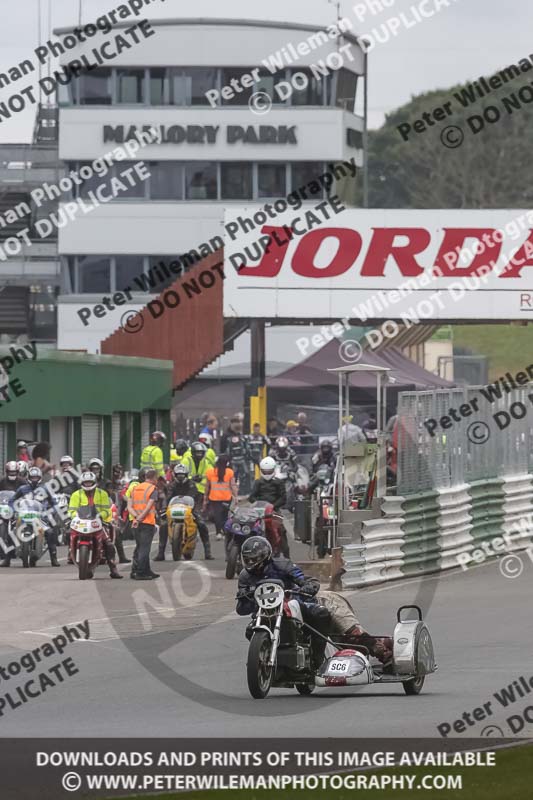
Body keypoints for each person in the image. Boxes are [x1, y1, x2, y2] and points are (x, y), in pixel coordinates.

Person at [235, 537, 331, 667]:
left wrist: (307, 585)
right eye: (247, 559)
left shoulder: (282, 565)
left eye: (254, 559)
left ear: (265, 556)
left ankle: (317, 658)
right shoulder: (244, 576)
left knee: (321, 613)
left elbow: (301, 578)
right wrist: (244, 596)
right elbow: (241, 609)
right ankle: (263, 655)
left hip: (291, 603)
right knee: (249, 631)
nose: (250, 562)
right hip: (263, 613)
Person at [2, 467, 60, 568]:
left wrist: (51, 511)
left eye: (36, 477)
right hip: (24, 515)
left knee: (50, 532)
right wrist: (13, 509)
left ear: (40, 478)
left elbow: (55, 503)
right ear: (28, 477)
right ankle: (7, 559)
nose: (34, 479)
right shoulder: (22, 489)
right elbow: (12, 500)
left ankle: (53, 558)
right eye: (32, 477)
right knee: (12, 533)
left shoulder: (45, 489)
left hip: (40, 517)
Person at [68, 471, 122, 578]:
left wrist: (101, 515)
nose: (88, 484)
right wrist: (75, 516)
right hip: (81, 522)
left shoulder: (103, 494)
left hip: (98, 522)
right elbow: (71, 510)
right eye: (86, 482)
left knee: (109, 544)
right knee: (68, 534)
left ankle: (113, 568)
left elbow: (107, 510)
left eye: (89, 482)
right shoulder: (76, 494)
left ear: (94, 482)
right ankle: (70, 554)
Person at [156, 463, 212, 560]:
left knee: (201, 524)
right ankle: (161, 553)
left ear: (186, 475)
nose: (181, 477)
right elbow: (167, 497)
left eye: (182, 475)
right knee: (164, 525)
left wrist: (196, 508)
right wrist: (164, 508)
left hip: (190, 508)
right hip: (174, 508)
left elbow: (195, 497)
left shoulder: (191, 485)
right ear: (175, 475)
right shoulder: (171, 485)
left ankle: (207, 551)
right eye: (178, 475)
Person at [248, 456, 289, 556]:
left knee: (281, 530)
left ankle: (287, 556)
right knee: (249, 529)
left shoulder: (279, 482)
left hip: (275, 511)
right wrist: (257, 505)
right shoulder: (258, 482)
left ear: (274, 470)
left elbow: (283, 498)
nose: (267, 474)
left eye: (269, 471)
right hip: (259, 512)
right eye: (265, 471)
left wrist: (273, 506)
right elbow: (251, 497)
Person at [127, 468, 160, 580]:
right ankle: (141, 572)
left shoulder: (135, 488)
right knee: (145, 548)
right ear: (154, 478)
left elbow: (129, 507)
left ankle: (144, 570)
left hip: (135, 522)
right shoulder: (152, 489)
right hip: (147, 522)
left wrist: (136, 518)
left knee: (140, 546)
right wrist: (140, 518)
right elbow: (149, 506)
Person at [203, 455, 237, 542]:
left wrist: (205, 497)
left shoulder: (210, 472)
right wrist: (235, 496)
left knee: (217, 515)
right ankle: (224, 530)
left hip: (214, 498)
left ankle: (219, 532)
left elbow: (207, 486)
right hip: (226, 498)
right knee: (224, 515)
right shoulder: (229, 472)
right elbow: (233, 485)